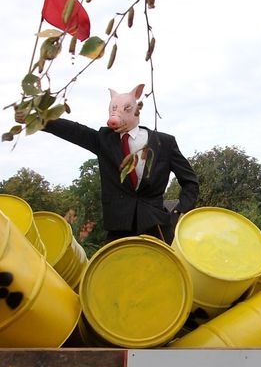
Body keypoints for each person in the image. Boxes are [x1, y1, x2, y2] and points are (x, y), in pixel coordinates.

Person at [17, 83, 198, 245]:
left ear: (136, 110)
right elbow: (73, 131)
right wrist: (36, 119)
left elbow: (190, 181)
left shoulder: (165, 143)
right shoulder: (104, 140)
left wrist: (179, 211)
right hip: (118, 228)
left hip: (156, 227)